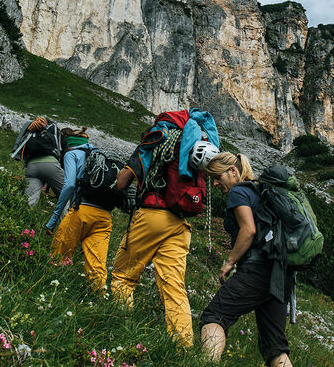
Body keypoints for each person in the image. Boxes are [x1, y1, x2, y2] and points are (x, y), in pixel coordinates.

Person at [108, 137, 220, 347]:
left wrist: (115, 190)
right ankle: (183, 347)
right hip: (180, 223)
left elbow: (123, 181)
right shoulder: (190, 148)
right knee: (174, 287)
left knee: (124, 276)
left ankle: (119, 331)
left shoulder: (155, 142)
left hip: (152, 214)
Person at [199, 152, 293, 367]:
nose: (214, 183)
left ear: (233, 171)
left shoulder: (239, 191)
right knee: (274, 347)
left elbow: (248, 230)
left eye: (217, 176)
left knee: (214, 316)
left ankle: (205, 363)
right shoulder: (261, 191)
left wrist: (229, 262)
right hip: (281, 274)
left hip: (257, 270)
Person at [46, 128, 115, 291]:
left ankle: (49, 288)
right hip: (104, 216)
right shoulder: (101, 157)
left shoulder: (71, 154)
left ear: (70, 145)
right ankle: (99, 299)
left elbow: (69, 184)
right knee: (97, 265)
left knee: (59, 255)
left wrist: (54, 219)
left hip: (81, 210)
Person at [12, 116, 65, 206]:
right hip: (51, 165)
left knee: (29, 201)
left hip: (31, 167)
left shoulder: (30, 134)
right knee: (65, 197)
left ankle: (24, 217)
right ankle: (65, 219)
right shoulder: (53, 132)